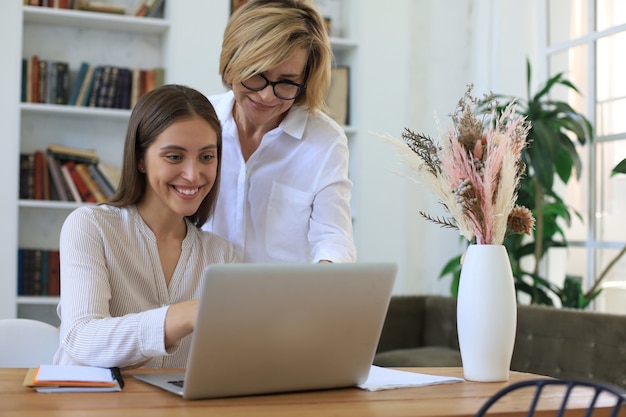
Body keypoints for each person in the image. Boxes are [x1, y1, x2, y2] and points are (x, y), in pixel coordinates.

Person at [53, 84, 237, 369]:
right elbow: (81, 338)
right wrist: (183, 315)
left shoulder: (223, 255)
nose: (193, 174)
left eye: (207, 157)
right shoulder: (90, 226)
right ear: (140, 159)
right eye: (174, 157)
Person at [202, 0, 357, 263]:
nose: (265, 95)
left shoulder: (324, 141)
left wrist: (327, 276)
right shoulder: (199, 121)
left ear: (305, 81)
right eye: (255, 74)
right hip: (198, 297)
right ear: (233, 61)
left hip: (285, 301)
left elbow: (333, 237)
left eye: (286, 82)